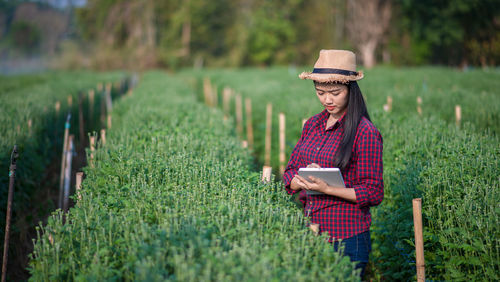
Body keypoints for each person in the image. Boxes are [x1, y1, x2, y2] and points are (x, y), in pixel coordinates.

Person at [282, 50, 383, 278]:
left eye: (335, 93)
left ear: (350, 90)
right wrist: (299, 181)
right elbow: (289, 172)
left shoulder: (364, 132)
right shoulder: (312, 125)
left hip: (348, 236)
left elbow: (374, 192)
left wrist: (327, 189)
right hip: (311, 230)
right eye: (320, 93)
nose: (327, 100)